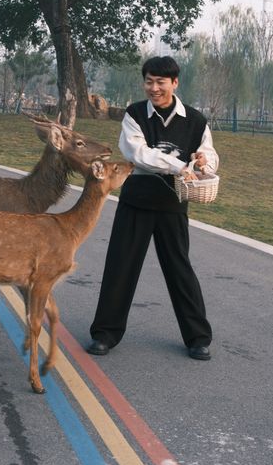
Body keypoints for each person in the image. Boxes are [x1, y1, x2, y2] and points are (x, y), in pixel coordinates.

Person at [87, 55, 219, 361]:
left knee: (180, 269)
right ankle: (105, 334)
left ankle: (198, 337)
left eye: (161, 82)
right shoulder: (135, 114)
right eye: (149, 81)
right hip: (136, 200)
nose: (154, 88)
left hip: (173, 203)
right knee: (120, 266)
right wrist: (179, 164)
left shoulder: (196, 120)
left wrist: (202, 161)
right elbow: (139, 153)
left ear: (175, 83)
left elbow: (209, 155)